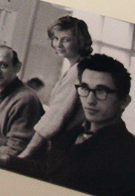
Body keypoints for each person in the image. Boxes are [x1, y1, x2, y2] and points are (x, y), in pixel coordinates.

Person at [42, 54, 135, 196]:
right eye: (85, 88)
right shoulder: (69, 134)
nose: (90, 100)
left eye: (101, 91)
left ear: (124, 101)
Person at [18, 16, 93, 160]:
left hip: (67, 146)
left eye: (66, 40)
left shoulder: (78, 71)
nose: (58, 44)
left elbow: (56, 116)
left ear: (80, 41)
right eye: (56, 38)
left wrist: (26, 153)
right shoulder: (78, 66)